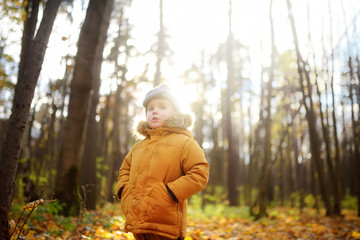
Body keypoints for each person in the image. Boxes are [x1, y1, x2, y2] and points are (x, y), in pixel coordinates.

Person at [115, 84, 210, 240]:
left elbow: (200, 172)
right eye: (150, 109)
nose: (155, 111)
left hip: (167, 226)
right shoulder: (139, 146)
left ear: (174, 112)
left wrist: (171, 192)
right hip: (138, 223)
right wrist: (124, 190)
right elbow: (125, 169)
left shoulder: (184, 142)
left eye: (162, 107)